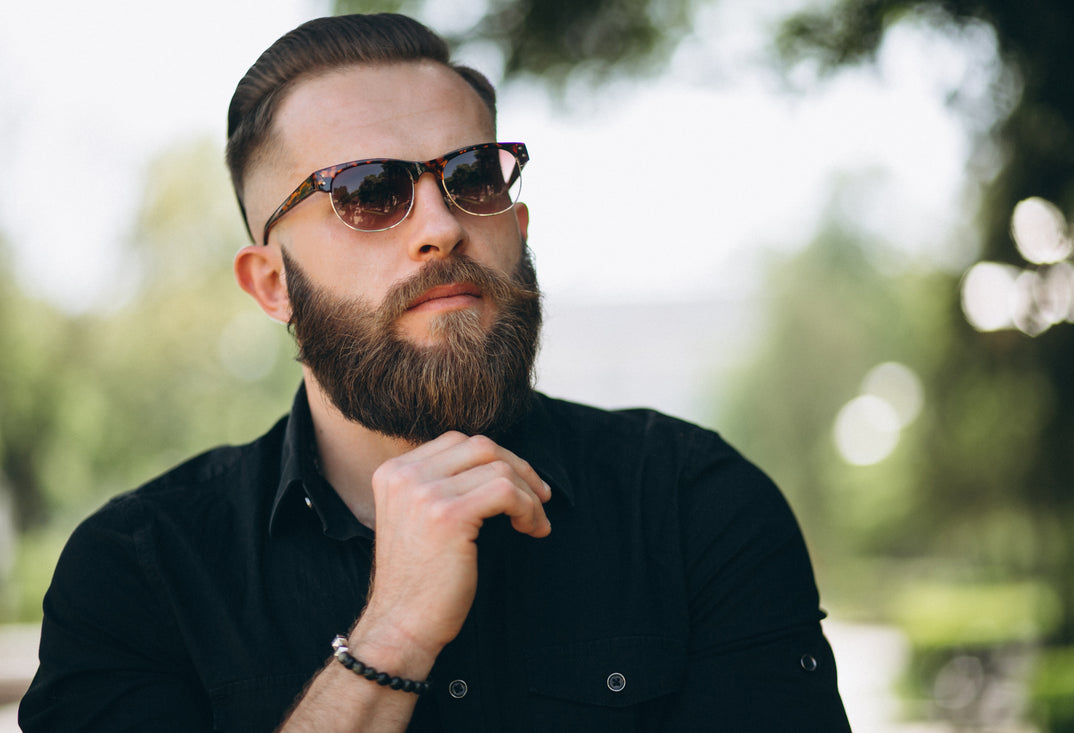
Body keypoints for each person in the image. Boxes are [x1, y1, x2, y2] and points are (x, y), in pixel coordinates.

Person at [20, 13, 851, 732]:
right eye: (369, 190)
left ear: (516, 223)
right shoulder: (138, 572)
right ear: (272, 284)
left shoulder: (693, 505)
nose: (440, 225)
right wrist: (389, 639)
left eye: (472, 175)